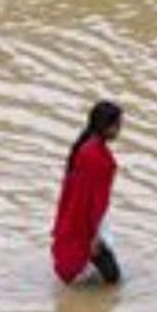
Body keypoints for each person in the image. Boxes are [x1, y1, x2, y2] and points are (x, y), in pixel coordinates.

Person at [51, 101, 124, 285]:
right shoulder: (96, 156)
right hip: (89, 223)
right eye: (117, 125)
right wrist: (93, 236)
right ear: (107, 127)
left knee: (107, 276)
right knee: (112, 280)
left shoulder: (84, 148)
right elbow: (92, 199)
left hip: (82, 219)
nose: (120, 129)